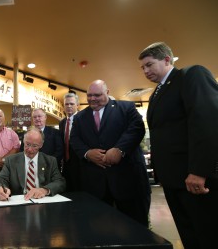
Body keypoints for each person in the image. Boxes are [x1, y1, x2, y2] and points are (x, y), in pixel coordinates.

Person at [138, 42, 218, 249]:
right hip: (173, 179)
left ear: (166, 60)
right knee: (188, 232)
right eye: (142, 68)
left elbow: (207, 122)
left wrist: (199, 171)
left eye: (149, 65)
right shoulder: (157, 92)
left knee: (207, 233)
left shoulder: (191, 75)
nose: (145, 71)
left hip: (194, 178)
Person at [70, 80, 151, 227]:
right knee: (99, 230)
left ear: (107, 93)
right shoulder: (79, 117)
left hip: (128, 183)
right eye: (89, 95)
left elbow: (137, 129)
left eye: (97, 95)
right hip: (96, 186)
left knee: (135, 229)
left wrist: (120, 149)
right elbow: (74, 139)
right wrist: (88, 153)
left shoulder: (126, 108)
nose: (92, 98)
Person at [0, 127, 66, 201]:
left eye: (34, 146)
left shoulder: (50, 161)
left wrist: (45, 190)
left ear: (41, 145)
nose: (30, 149)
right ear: (23, 141)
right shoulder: (11, 160)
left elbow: (60, 182)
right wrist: (1, 188)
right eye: (27, 144)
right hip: (18, 203)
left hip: (42, 202)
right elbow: (1, 179)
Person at [59, 93, 80, 191]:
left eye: (72, 104)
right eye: (66, 104)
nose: (69, 106)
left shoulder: (83, 120)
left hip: (80, 165)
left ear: (77, 105)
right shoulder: (62, 123)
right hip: (66, 165)